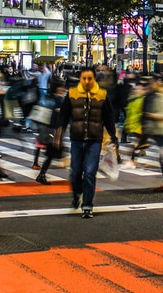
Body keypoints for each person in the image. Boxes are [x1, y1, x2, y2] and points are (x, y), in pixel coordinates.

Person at [59, 67, 118, 218]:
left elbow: (109, 118)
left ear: (94, 79)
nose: (87, 81)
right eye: (84, 78)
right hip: (77, 139)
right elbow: (64, 116)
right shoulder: (72, 94)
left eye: (90, 78)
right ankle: (77, 193)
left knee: (90, 173)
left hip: (95, 140)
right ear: (80, 79)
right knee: (76, 172)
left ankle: (87, 205)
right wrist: (58, 134)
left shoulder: (102, 95)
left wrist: (113, 137)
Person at [35, 80, 67, 185]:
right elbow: (59, 118)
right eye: (62, 87)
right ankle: (41, 174)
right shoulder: (58, 100)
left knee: (52, 153)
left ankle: (41, 173)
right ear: (58, 88)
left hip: (45, 128)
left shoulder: (48, 97)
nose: (64, 89)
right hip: (53, 130)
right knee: (52, 153)